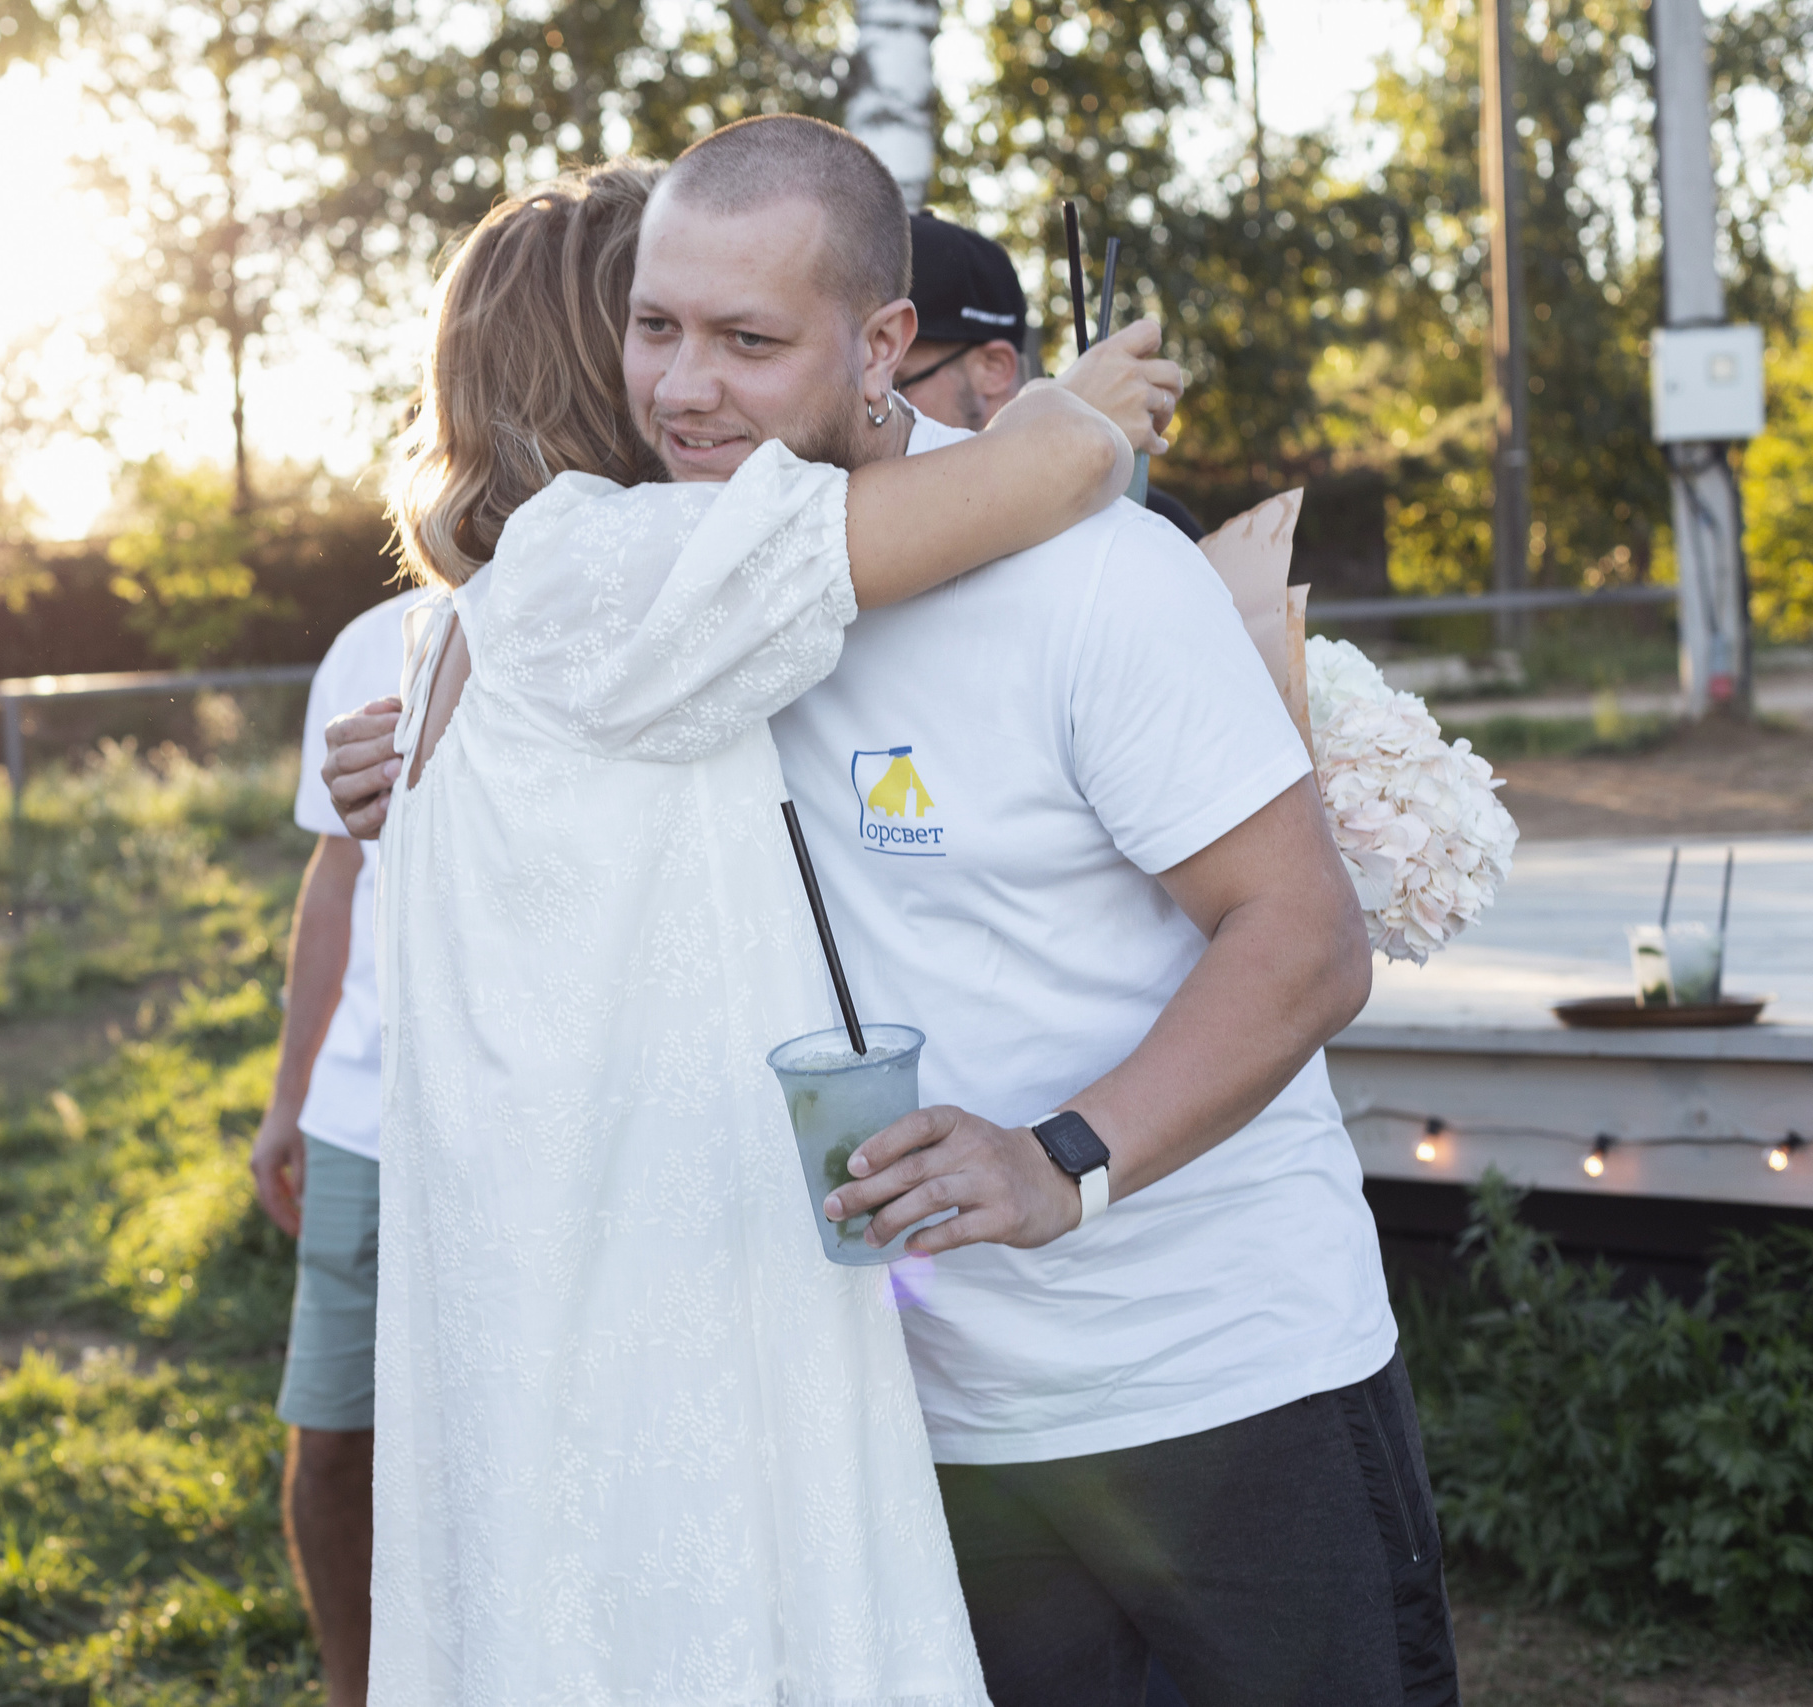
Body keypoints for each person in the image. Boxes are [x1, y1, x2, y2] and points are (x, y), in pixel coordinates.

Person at [327, 116, 1459, 1707]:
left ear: (883, 344)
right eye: (655, 329)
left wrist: (1061, 1155)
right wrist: (425, 753)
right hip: (908, 1417)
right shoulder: (682, 597)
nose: (685, 387)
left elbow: (1302, 937)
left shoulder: (1087, 577)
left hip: (1213, 1375)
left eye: (748, 340)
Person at [248, 585, 422, 1707]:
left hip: (529, 1123)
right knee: (335, 1440)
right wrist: (287, 1097)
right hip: (362, 1117)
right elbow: (334, 879)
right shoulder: (367, 638)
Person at [900, 210, 1206, 541]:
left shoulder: (1153, 525)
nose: (875, 407)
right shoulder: (879, 516)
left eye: (896, 383)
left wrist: (1073, 432)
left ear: (993, 368)